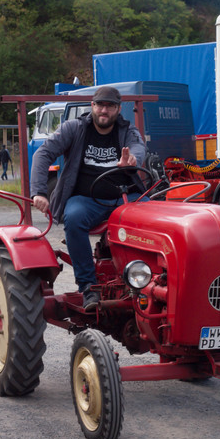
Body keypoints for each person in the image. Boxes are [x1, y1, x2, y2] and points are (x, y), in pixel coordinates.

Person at [31, 86, 147, 309]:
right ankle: (87, 287)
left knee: (158, 221)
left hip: (124, 197)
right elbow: (42, 154)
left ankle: (145, 280)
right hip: (86, 199)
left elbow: (137, 149)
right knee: (73, 218)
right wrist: (39, 192)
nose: (104, 110)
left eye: (110, 106)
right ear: (92, 106)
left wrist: (131, 159)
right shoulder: (74, 128)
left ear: (118, 109)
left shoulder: (127, 131)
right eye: (100, 105)